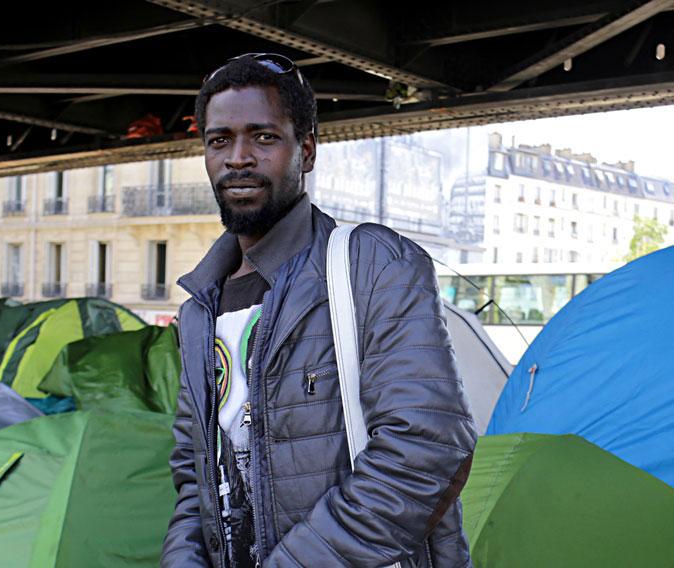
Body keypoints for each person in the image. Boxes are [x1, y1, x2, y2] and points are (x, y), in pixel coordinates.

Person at [162, 53, 477, 568]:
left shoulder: (373, 264)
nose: (238, 157)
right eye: (220, 140)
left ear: (306, 151)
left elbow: (427, 448)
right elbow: (194, 480)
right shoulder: (199, 307)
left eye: (263, 137)